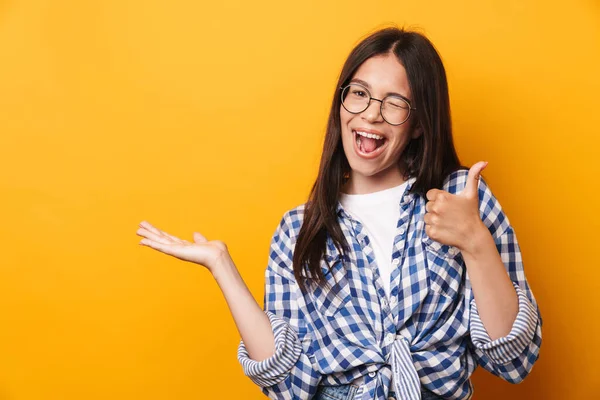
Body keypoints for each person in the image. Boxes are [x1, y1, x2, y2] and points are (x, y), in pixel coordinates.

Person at [136, 27, 542, 400]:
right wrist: (221, 265)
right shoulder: (299, 229)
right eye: (360, 93)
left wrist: (476, 242)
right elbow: (289, 383)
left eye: (395, 102)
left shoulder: (461, 200)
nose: (370, 114)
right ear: (342, 102)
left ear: (418, 124)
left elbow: (513, 359)